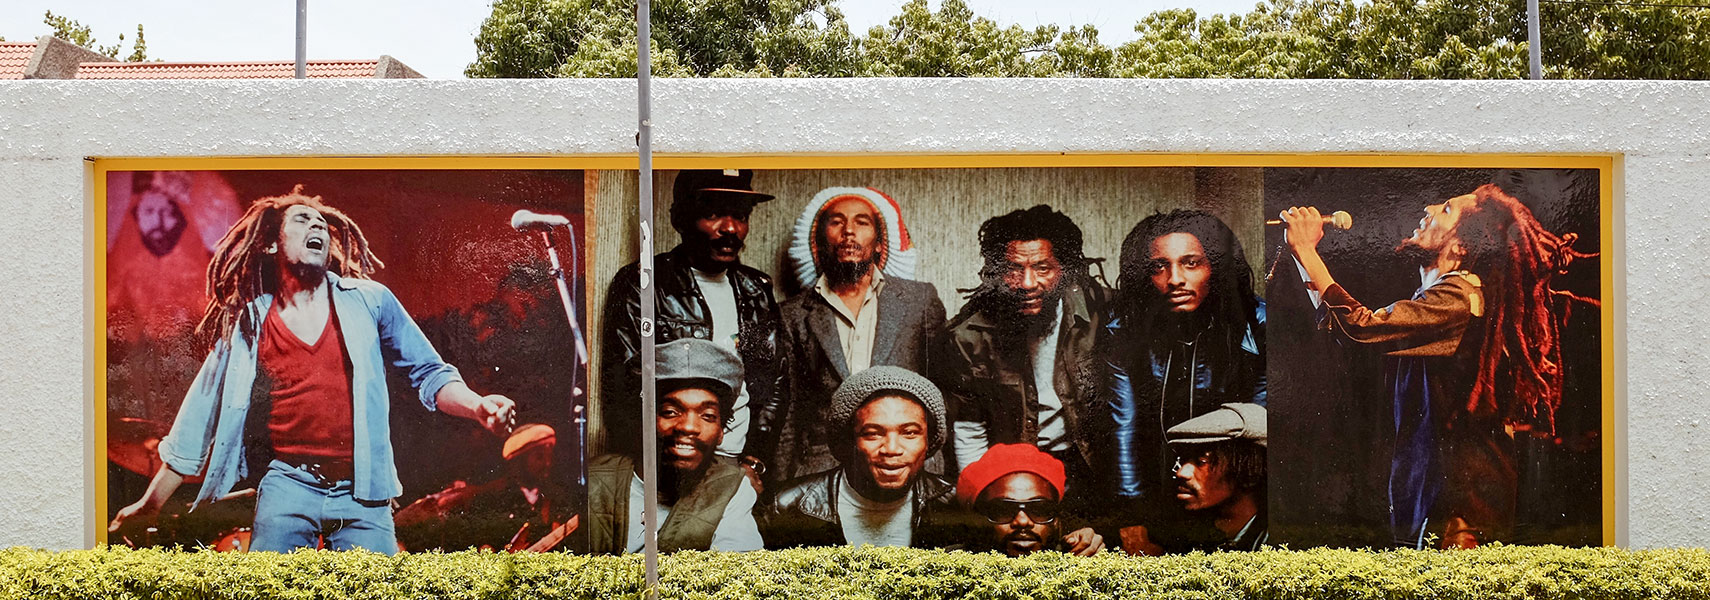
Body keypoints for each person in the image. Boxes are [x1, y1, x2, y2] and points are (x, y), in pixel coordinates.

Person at [107, 186, 517, 554]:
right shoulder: (250, 320)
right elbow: (201, 413)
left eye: (322, 222)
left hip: (366, 491)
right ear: (270, 244)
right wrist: (151, 503)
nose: (317, 224)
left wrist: (477, 405)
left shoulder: (370, 301)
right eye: (302, 219)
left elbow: (430, 373)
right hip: (289, 486)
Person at [1280, 183, 1586, 548]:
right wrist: (1303, 257)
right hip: (1437, 498)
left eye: (1446, 211)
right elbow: (1354, 336)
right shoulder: (1442, 299)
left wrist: (1306, 250)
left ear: (1461, 246)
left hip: (1459, 506)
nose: (1429, 206)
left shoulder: (1460, 297)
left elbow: (1361, 329)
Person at [601, 169, 782, 488]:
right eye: (713, 213)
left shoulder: (756, 289)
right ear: (680, 218)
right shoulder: (644, 283)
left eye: (740, 216)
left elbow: (773, 384)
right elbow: (624, 390)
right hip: (672, 463)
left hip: (736, 464)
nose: (730, 228)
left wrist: (754, 459)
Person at [776, 187, 946, 484]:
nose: (849, 231)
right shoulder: (791, 314)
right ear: (819, 241)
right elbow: (788, 408)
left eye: (862, 222)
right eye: (837, 222)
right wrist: (779, 482)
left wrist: (943, 471)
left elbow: (942, 391)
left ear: (880, 244)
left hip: (904, 463)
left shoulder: (920, 301)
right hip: (820, 467)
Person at [1105, 210, 1265, 523]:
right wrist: (1133, 517)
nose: (1175, 279)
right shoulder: (1124, 329)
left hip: (1238, 494)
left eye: (1191, 263)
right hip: (1158, 494)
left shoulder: (1259, 324)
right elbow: (1123, 426)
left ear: (1216, 268)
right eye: (1159, 267)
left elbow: (1260, 430)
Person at [940, 205, 1111, 498]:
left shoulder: (1102, 313)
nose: (1028, 283)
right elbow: (970, 428)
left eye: (1043, 268)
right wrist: (981, 497)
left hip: (1090, 476)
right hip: (1013, 481)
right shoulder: (968, 337)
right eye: (1014, 270)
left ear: (1064, 270)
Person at [580, 339, 763, 554]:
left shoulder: (731, 488)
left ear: (721, 431)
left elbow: (736, 572)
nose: (688, 427)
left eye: (708, 416)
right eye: (670, 412)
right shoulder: (591, 482)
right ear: (644, 419)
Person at [764, 366, 957, 548]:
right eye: (873, 433)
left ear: (929, 440)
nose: (891, 449)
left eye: (909, 433)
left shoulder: (955, 503)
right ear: (850, 440)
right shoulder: (788, 506)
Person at [1121, 403, 1269, 555]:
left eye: (1201, 461)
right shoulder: (1183, 534)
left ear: (1250, 470)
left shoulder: (1276, 545)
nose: (1181, 472)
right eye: (1183, 459)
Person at [957, 443, 1106, 556]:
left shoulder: (1069, 556)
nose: (1023, 521)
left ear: (1056, 521)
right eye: (1003, 509)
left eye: (1039, 509)